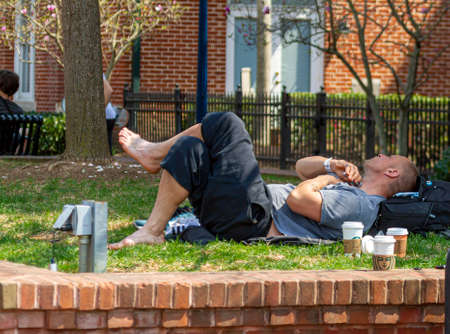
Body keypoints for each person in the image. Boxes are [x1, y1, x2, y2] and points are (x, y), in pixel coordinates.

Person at [108, 112, 418, 249]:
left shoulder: (362, 204)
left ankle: (153, 154)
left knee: (228, 124)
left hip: (254, 220)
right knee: (190, 149)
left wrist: (325, 179)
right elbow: (300, 167)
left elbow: (299, 199)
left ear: (392, 173)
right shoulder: (352, 189)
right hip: (234, 213)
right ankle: (153, 230)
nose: (381, 154)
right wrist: (330, 164)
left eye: (388, 157)